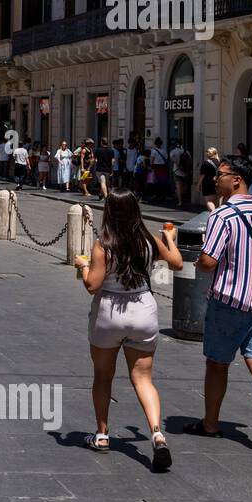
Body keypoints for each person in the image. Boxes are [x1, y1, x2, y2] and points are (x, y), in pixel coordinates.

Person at [74, 189, 184, 471]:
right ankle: (157, 434)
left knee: (103, 375)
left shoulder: (104, 244)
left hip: (109, 312)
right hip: (143, 309)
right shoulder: (149, 240)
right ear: (136, 210)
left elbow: (92, 286)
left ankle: (101, 434)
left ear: (109, 212)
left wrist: (83, 266)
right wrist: (170, 240)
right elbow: (177, 263)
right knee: (143, 379)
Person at [189, 155, 252, 459]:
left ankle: (210, 423)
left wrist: (199, 260)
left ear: (236, 180)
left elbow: (208, 262)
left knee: (218, 363)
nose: (214, 179)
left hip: (228, 301)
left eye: (220, 174)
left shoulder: (222, 216)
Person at [198, 147, 220, 211]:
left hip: (207, 184)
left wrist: (198, 184)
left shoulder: (206, 163)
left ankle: (213, 214)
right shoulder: (219, 162)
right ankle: (216, 215)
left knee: (209, 201)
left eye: (208, 152)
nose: (206, 153)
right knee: (216, 202)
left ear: (210, 154)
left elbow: (202, 175)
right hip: (217, 183)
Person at [173, 141, 193, 207]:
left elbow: (172, 160)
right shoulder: (186, 152)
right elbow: (190, 161)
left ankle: (180, 201)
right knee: (185, 186)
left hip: (177, 171)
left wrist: (178, 164)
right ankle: (183, 196)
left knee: (178, 186)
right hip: (185, 172)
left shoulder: (173, 152)